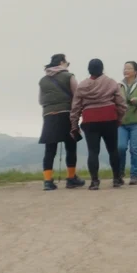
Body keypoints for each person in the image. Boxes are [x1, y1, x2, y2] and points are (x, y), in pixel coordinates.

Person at [70, 58, 128, 190]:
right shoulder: (111, 82)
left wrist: (74, 125)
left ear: (89, 70)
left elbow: (75, 108)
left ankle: (94, 182)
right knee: (113, 150)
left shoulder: (82, 85)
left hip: (90, 121)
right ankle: (117, 179)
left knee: (93, 151)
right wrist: (119, 118)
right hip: (109, 119)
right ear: (102, 69)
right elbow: (122, 104)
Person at [37, 54, 82, 191]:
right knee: (70, 146)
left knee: (50, 149)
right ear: (62, 62)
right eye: (66, 62)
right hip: (66, 113)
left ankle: (47, 181)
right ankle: (71, 178)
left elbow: (40, 100)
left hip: (49, 115)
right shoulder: (69, 76)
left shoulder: (43, 80)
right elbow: (77, 95)